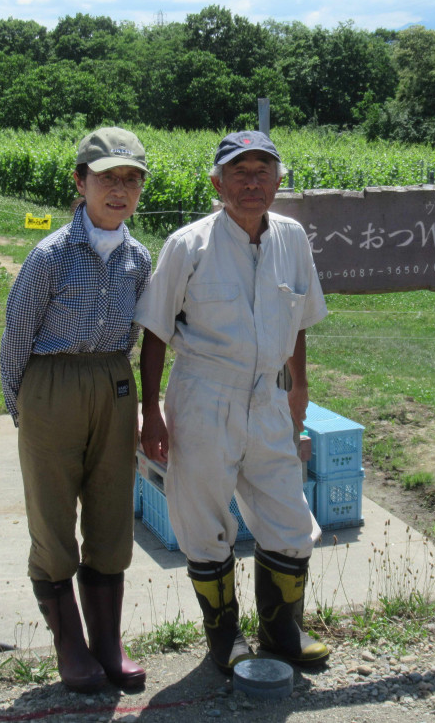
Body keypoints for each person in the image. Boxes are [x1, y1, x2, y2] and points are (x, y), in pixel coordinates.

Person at [135, 131, 329, 674]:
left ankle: (282, 632)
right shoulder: (188, 245)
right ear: (216, 183)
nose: (251, 182)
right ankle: (224, 637)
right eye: (238, 172)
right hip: (204, 394)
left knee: (289, 519)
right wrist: (151, 412)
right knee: (203, 522)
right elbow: (155, 331)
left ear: (278, 182)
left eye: (263, 171)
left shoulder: (292, 238)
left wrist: (299, 388)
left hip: (268, 396)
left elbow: (299, 318)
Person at [0, 127, 151, 692]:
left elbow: (136, 333)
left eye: (131, 179)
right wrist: (24, 408)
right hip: (51, 382)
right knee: (53, 516)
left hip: (112, 380)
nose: (119, 190)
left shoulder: (138, 259)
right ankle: (71, 645)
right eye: (107, 178)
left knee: (112, 513)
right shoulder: (50, 256)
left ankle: (108, 644)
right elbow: (17, 336)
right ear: (80, 182)